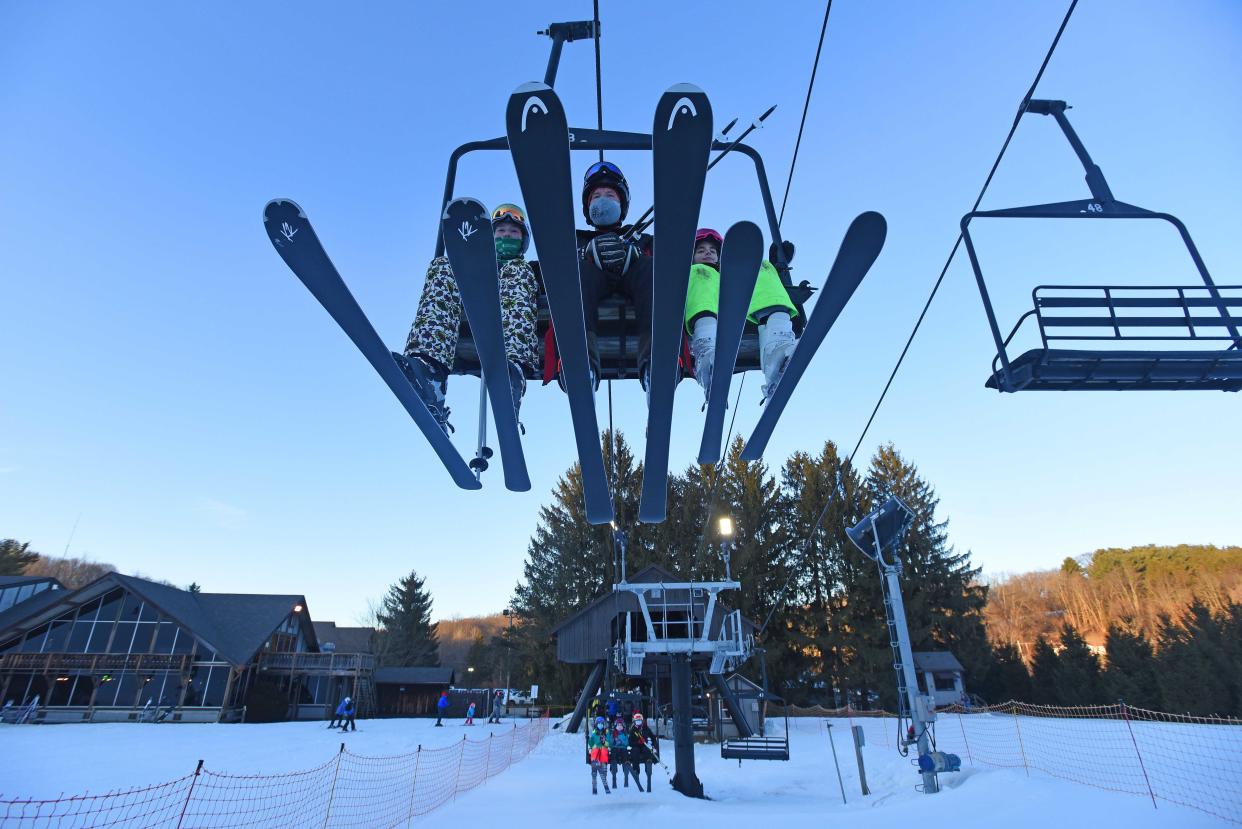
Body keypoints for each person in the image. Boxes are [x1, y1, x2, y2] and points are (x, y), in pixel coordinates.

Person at [396, 203, 540, 433]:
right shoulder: (471, 268)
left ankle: (511, 374)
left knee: (518, 270)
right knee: (443, 264)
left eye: (514, 233)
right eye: (500, 232)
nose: (507, 236)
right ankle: (429, 373)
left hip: (507, 328)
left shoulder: (527, 270)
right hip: (467, 308)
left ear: (523, 241)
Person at [683, 228, 800, 401]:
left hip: (741, 310)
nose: (708, 252)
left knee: (759, 266)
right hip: (705, 316)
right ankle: (707, 354)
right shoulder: (692, 273)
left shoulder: (728, 274)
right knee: (702, 272)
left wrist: (776, 268)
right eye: (701, 250)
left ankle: (776, 348)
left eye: (713, 251)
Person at [570, 161, 654, 390]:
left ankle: (655, 363)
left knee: (651, 269)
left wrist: (637, 255)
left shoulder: (643, 240)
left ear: (622, 204)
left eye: (610, 195)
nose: (603, 199)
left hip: (637, 283)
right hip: (591, 284)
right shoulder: (575, 241)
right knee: (576, 275)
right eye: (596, 196)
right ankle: (581, 363)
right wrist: (586, 256)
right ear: (588, 207)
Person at [628, 711, 659, 794]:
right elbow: (630, 742)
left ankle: (648, 765)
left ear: (642, 721)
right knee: (635, 751)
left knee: (646, 750)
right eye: (636, 721)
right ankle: (636, 770)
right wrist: (637, 742)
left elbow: (653, 737)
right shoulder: (633, 729)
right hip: (636, 746)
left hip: (644, 745)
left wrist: (654, 745)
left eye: (639, 721)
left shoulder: (645, 728)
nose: (638, 723)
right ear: (634, 722)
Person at [609, 719, 641, 791]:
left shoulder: (624, 734)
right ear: (615, 726)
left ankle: (625, 772)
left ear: (623, 727)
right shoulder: (613, 734)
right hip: (615, 748)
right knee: (613, 753)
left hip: (623, 748)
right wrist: (614, 741)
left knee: (625, 753)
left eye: (621, 725)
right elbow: (610, 743)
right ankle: (613, 771)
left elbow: (627, 743)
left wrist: (621, 742)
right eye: (618, 725)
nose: (619, 727)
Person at [587, 716, 612, 795]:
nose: (600, 725)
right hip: (596, 750)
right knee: (595, 750)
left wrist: (605, 743)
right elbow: (591, 742)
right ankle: (595, 762)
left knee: (603, 750)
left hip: (604, 750)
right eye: (599, 724)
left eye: (602, 724)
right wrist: (589, 742)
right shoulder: (594, 732)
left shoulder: (606, 732)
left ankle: (603, 766)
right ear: (596, 724)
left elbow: (610, 742)